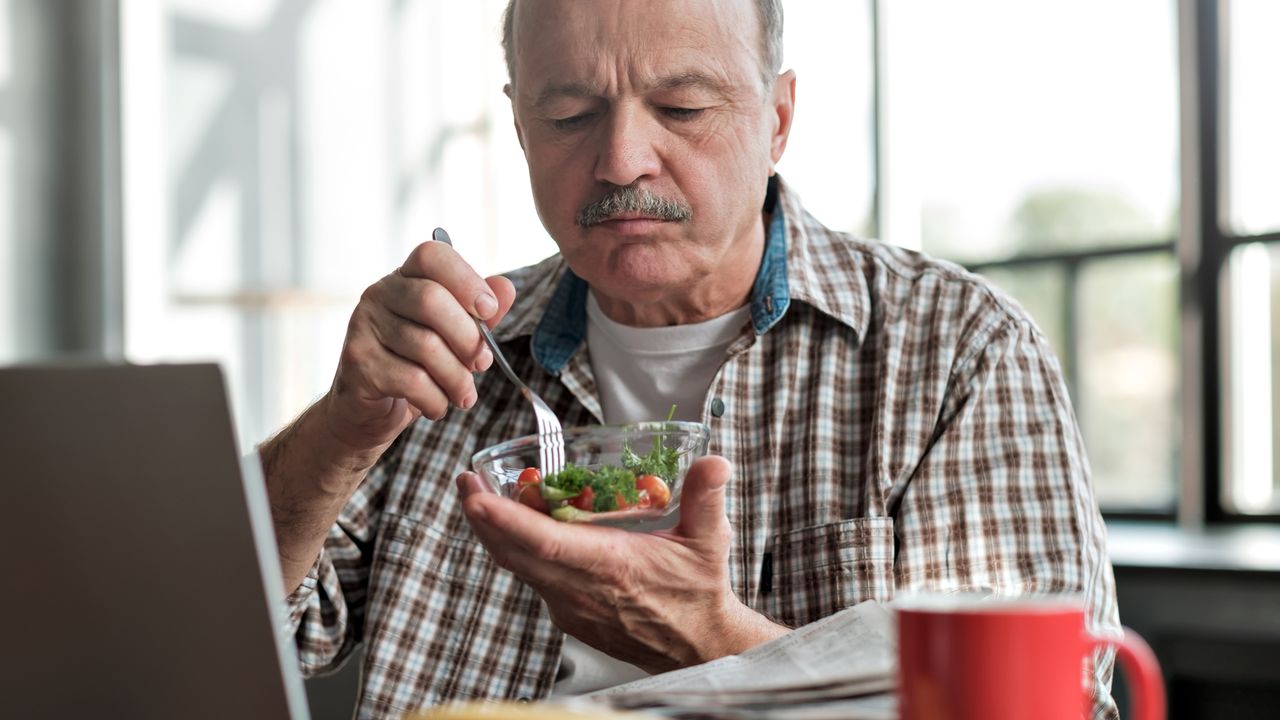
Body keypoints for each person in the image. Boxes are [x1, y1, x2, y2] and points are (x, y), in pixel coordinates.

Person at [261, 0, 1121, 718]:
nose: (622, 160)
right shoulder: (455, 354)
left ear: (777, 120)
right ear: (522, 128)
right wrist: (344, 427)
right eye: (569, 116)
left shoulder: (958, 352)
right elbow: (229, 626)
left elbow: (1048, 705)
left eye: (682, 109)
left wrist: (709, 638)